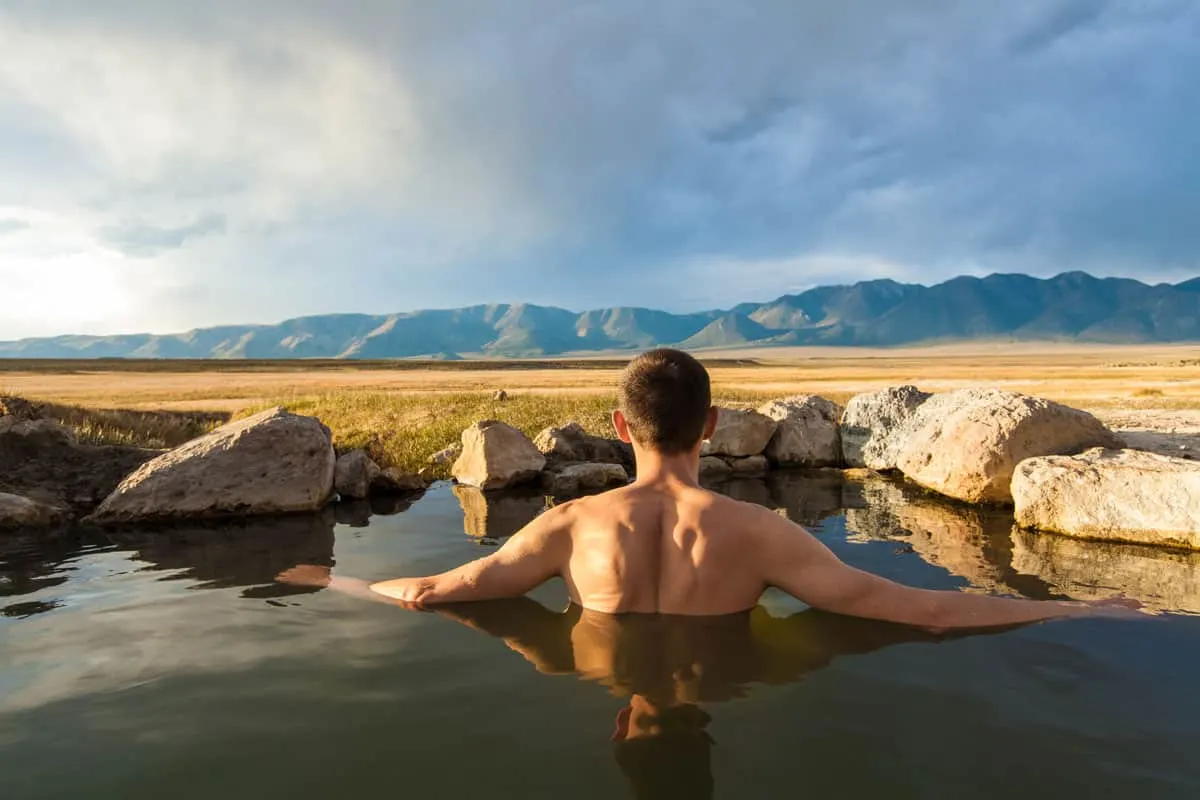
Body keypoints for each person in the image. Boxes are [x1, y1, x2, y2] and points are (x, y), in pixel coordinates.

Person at [279, 348, 1138, 628]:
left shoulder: (571, 527)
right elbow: (926, 609)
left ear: (621, 429)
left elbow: (433, 592)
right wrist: (1082, 607)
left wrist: (332, 577)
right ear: (713, 424)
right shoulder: (758, 534)